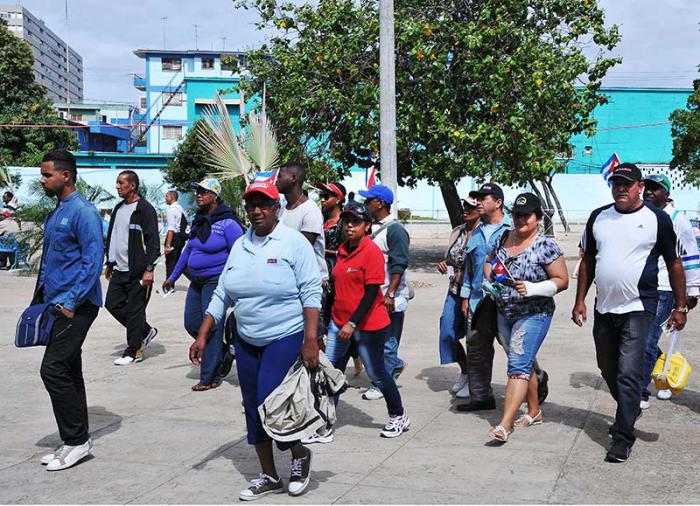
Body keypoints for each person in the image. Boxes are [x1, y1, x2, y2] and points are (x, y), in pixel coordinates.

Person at [193, 180, 322, 500]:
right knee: (251, 405)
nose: (257, 210)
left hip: (284, 334)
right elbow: (222, 292)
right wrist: (202, 334)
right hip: (247, 337)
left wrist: (310, 339)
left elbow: (311, 291)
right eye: (251, 205)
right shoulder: (241, 245)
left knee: (270, 400)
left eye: (263, 204)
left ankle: (299, 454)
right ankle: (268, 474)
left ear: (277, 208)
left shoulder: (293, 243)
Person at [572, 163, 688, 463]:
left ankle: (623, 436)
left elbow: (674, 263)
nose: (621, 188)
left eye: (628, 184)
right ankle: (630, 406)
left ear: (639, 187)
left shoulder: (657, 219)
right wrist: (580, 300)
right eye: (616, 184)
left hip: (640, 307)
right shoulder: (599, 217)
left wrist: (680, 305)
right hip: (604, 306)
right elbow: (588, 261)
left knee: (628, 372)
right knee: (607, 367)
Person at [32, 149, 103, 471]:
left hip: (77, 304)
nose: (43, 179)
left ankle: (76, 441)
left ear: (66, 176)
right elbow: (51, 262)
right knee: (69, 369)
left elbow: (92, 261)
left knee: (54, 368)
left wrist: (71, 303)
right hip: (55, 302)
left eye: (47, 174)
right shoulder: (57, 210)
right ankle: (74, 440)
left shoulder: (84, 213)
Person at [482, 193, 568, 442]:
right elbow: (490, 261)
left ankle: (504, 425)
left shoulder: (546, 246)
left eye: (526, 215)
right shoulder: (502, 237)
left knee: (517, 366)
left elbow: (562, 281)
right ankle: (534, 411)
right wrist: (488, 279)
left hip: (534, 314)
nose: (520, 220)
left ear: (538, 218)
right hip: (504, 310)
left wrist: (534, 288)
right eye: (517, 215)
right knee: (524, 361)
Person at [458, 184, 550, 412]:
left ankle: (537, 380)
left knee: (513, 349)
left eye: (483, 198)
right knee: (476, 346)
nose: (478, 202)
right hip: (480, 300)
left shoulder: (513, 228)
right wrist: (466, 296)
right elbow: (471, 268)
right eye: (477, 198)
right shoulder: (475, 230)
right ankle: (480, 397)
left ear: (498, 202)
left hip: (510, 304)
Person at [325, 201, 410, 437]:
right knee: (332, 373)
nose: (350, 226)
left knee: (377, 373)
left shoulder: (371, 251)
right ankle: (325, 421)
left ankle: (398, 415)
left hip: (367, 325)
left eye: (356, 222)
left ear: (367, 226)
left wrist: (352, 323)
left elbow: (372, 292)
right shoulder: (342, 250)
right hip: (339, 323)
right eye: (347, 222)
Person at [162, 178, 244, 391]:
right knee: (191, 323)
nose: (198, 195)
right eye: (197, 191)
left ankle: (210, 376)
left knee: (212, 327)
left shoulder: (228, 223)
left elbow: (240, 252)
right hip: (196, 281)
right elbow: (188, 250)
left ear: (215, 196)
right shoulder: (199, 220)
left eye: (204, 192)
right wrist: (172, 277)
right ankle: (223, 352)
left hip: (216, 280)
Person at [639, 174, 699, 407]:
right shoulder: (642, 215)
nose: (649, 192)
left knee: (647, 340)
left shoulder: (678, 219)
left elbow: (691, 256)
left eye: (655, 188)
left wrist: (690, 294)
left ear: (667, 193)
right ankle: (662, 373)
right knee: (642, 340)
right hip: (641, 288)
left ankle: (641, 392)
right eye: (647, 187)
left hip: (665, 289)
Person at [358, 184, 410, 400]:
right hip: (373, 296)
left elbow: (399, 264)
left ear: (379, 203)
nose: (365, 204)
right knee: (373, 342)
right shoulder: (371, 228)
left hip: (390, 298)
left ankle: (382, 384)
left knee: (387, 343)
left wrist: (390, 294)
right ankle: (394, 366)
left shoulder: (395, 230)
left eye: (368, 200)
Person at [104, 170, 161, 366]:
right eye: (117, 183)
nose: (118, 186)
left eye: (121, 183)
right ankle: (145, 331)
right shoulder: (119, 209)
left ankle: (134, 350)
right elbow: (113, 238)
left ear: (133, 185)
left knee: (136, 310)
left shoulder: (145, 210)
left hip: (138, 271)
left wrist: (149, 268)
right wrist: (109, 263)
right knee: (112, 304)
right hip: (119, 269)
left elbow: (153, 241)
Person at [437, 196, 480, 398]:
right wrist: (444, 264)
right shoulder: (459, 231)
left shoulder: (485, 232)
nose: (465, 209)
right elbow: (452, 257)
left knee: (475, 339)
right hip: (454, 291)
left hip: (475, 294)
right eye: (464, 205)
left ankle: (475, 378)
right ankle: (465, 370)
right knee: (447, 333)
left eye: (470, 206)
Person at [276, 161, 328, 282]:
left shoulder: (310, 210)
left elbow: (302, 249)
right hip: (289, 277)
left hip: (310, 280)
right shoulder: (282, 208)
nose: (276, 180)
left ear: (293, 178)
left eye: (280, 176)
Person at [164, 189, 189, 279]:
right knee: (178, 261)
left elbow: (171, 229)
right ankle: (194, 280)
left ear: (172, 197)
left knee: (170, 262)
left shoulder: (172, 210)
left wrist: (168, 245)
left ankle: (169, 286)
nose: (165, 198)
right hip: (180, 238)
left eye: (166, 196)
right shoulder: (180, 208)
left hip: (174, 238)